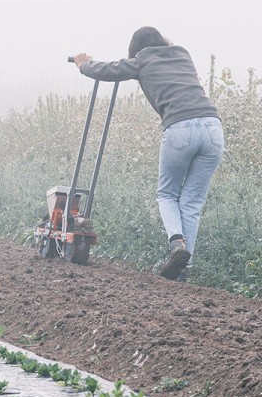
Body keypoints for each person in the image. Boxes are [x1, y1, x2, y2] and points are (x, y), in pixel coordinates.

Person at [70, 28, 223, 279]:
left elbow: (109, 70)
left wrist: (84, 65)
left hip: (180, 128)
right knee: (192, 202)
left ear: (136, 49)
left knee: (167, 194)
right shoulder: (183, 54)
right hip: (213, 128)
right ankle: (184, 267)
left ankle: (177, 243)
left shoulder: (142, 59)